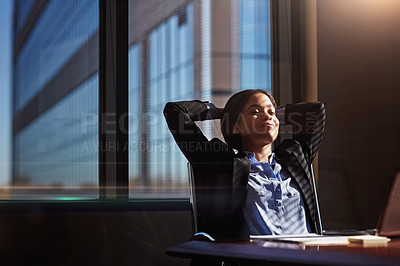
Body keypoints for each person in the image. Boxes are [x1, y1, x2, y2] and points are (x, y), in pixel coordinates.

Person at [163, 89, 325, 240]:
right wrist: (224, 113)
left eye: (271, 112)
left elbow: (315, 111)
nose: (267, 116)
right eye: (255, 111)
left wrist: (271, 117)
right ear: (235, 127)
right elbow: (175, 111)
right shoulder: (223, 163)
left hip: (308, 256)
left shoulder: (295, 157)